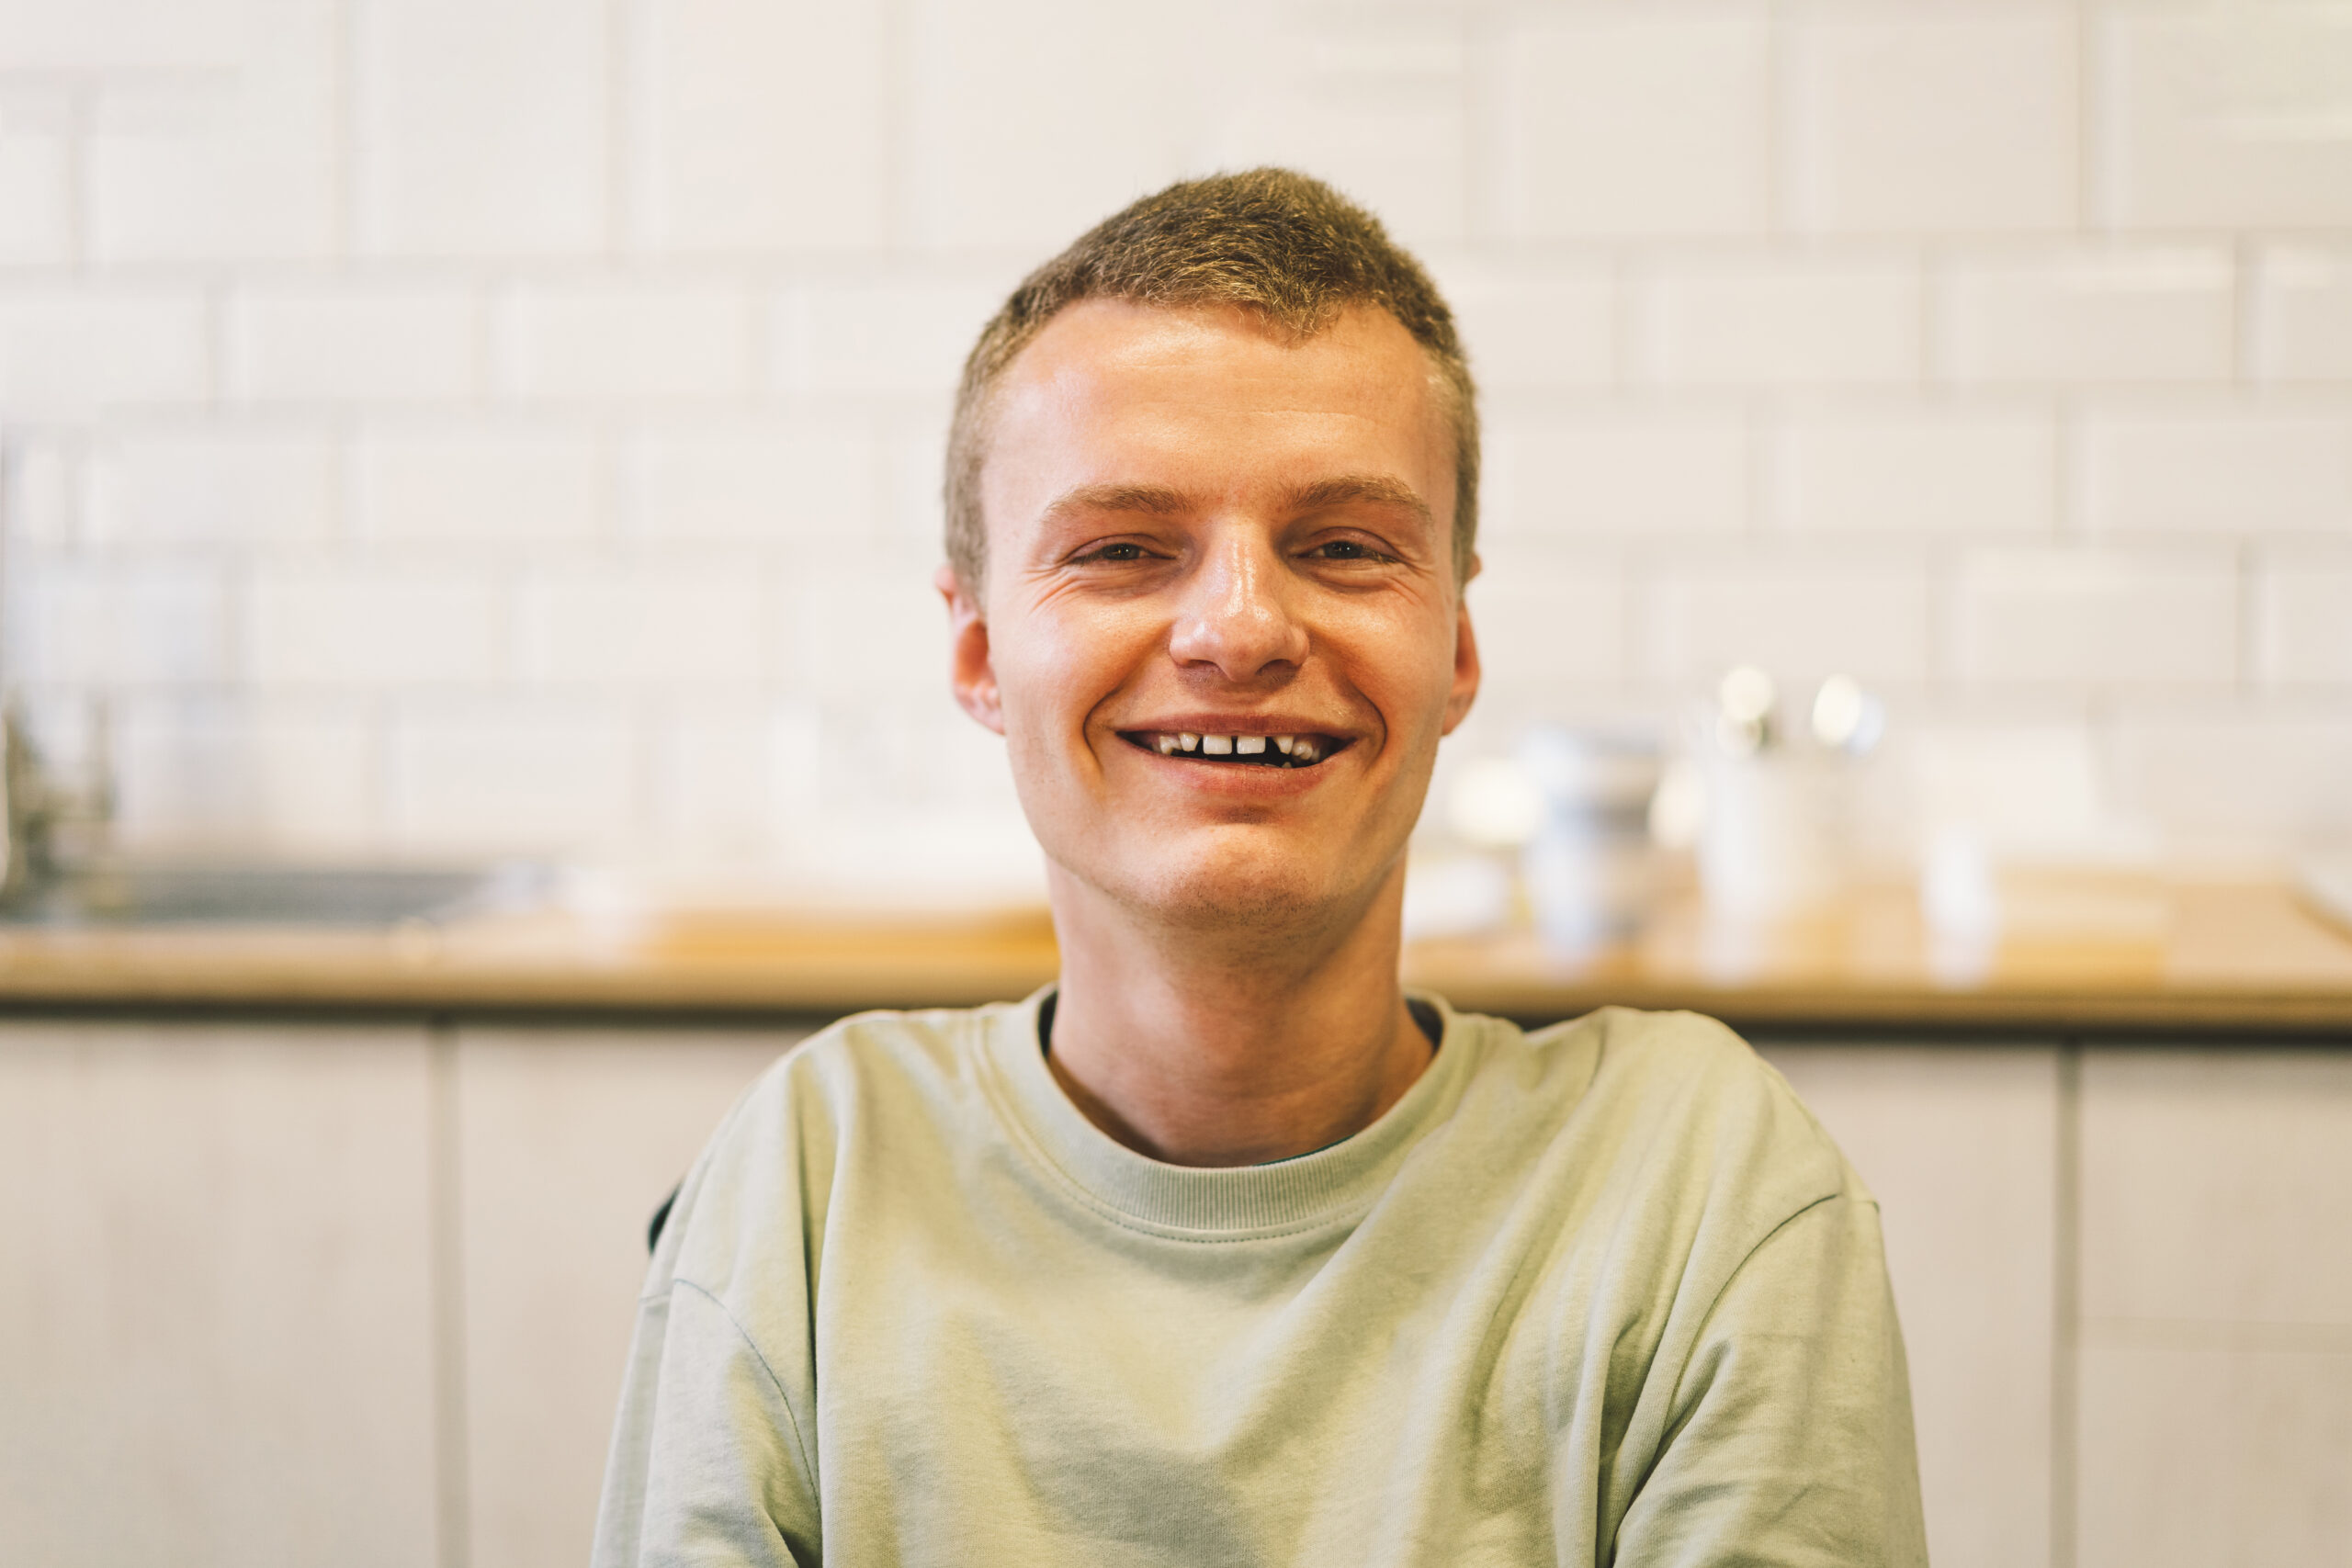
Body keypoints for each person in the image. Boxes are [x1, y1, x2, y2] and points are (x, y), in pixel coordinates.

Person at [592, 168, 1928, 1567]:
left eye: (1343, 547)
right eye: (1122, 549)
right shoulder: (810, 1190)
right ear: (980, 651)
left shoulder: (1700, 1188)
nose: (1239, 628)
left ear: (1456, 648)